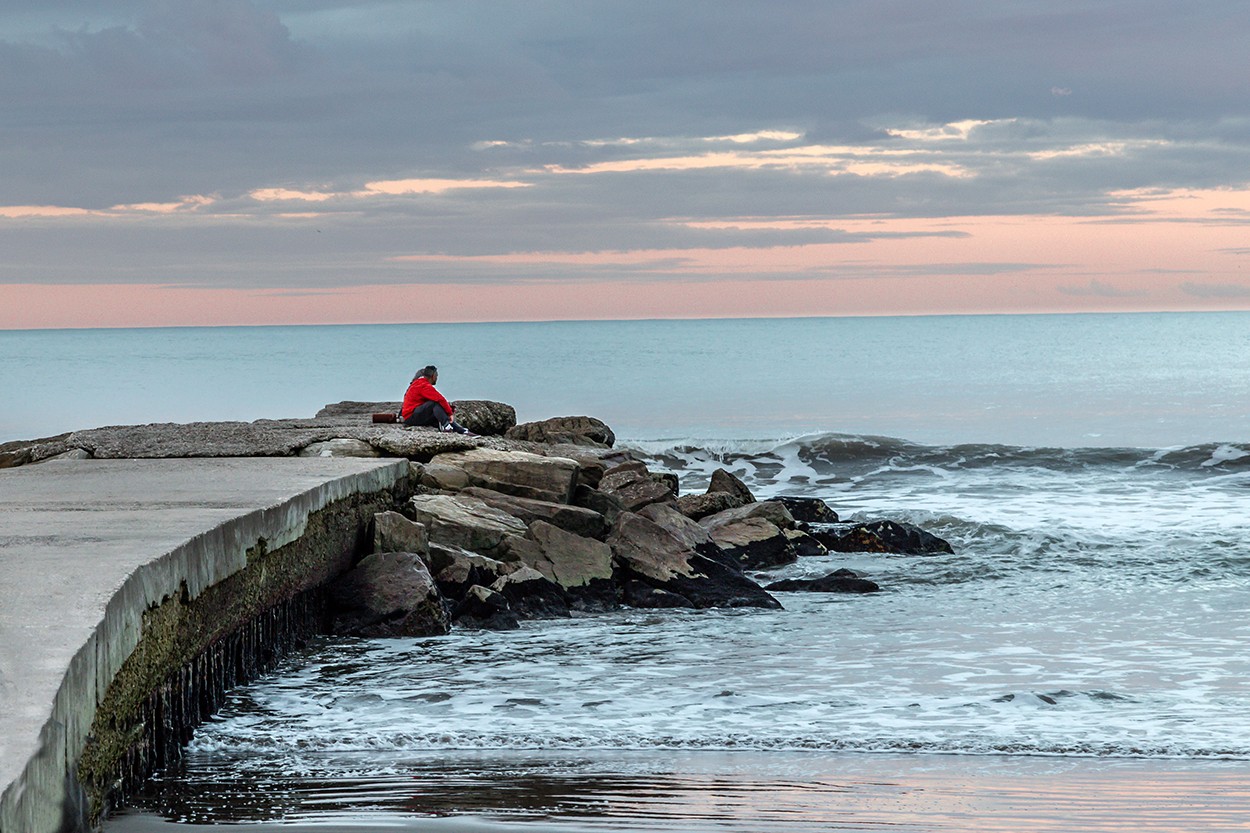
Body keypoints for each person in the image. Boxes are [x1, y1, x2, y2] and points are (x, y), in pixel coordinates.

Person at [401, 365, 472, 434]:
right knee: (434, 403)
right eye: (437, 376)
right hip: (410, 417)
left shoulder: (417, 383)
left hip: (415, 414)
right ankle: (446, 426)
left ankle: (462, 431)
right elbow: (440, 399)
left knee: (440, 411)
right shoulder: (423, 385)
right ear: (433, 376)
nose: (437, 378)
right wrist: (450, 413)